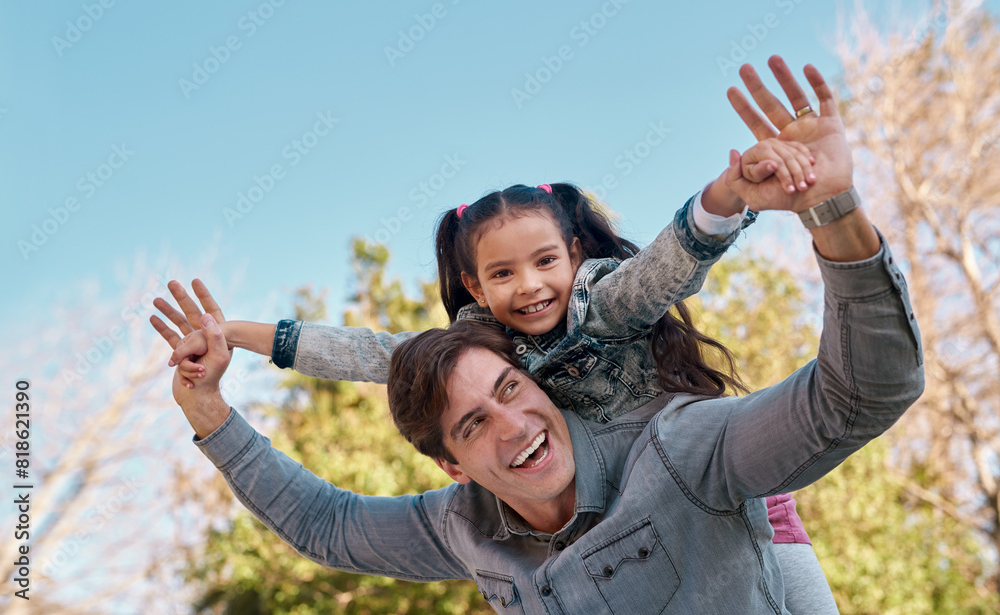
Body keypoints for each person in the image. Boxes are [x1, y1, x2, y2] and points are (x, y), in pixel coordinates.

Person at [157, 57, 922, 612]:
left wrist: (743, 200)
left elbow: (671, 268)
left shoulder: (621, 331)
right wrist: (234, 348)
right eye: (472, 424)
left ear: (576, 256)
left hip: (725, 498)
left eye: (545, 263)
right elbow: (354, 401)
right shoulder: (471, 474)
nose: (530, 288)